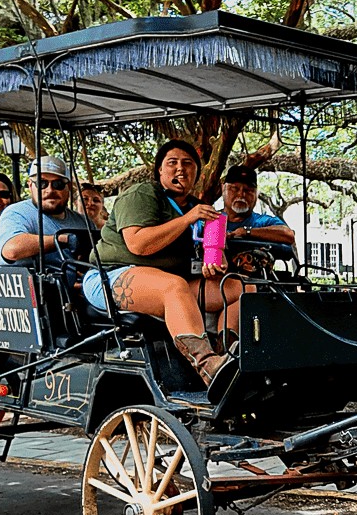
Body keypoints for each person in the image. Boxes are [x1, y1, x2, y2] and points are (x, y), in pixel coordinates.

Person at [84, 140, 240, 385]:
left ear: (197, 173)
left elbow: (219, 256)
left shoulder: (199, 209)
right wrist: (188, 219)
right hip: (112, 276)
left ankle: (228, 356)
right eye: (172, 163)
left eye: (188, 164)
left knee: (239, 288)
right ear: (159, 170)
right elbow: (139, 244)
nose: (181, 169)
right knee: (173, 286)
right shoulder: (143, 193)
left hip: (172, 283)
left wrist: (216, 262)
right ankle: (207, 364)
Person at [0, 156, 96, 267]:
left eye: (58, 184)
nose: (50, 190)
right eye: (41, 183)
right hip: (33, 282)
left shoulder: (84, 222)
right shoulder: (16, 213)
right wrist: (62, 240)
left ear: (68, 186)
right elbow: (11, 249)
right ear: (30, 186)